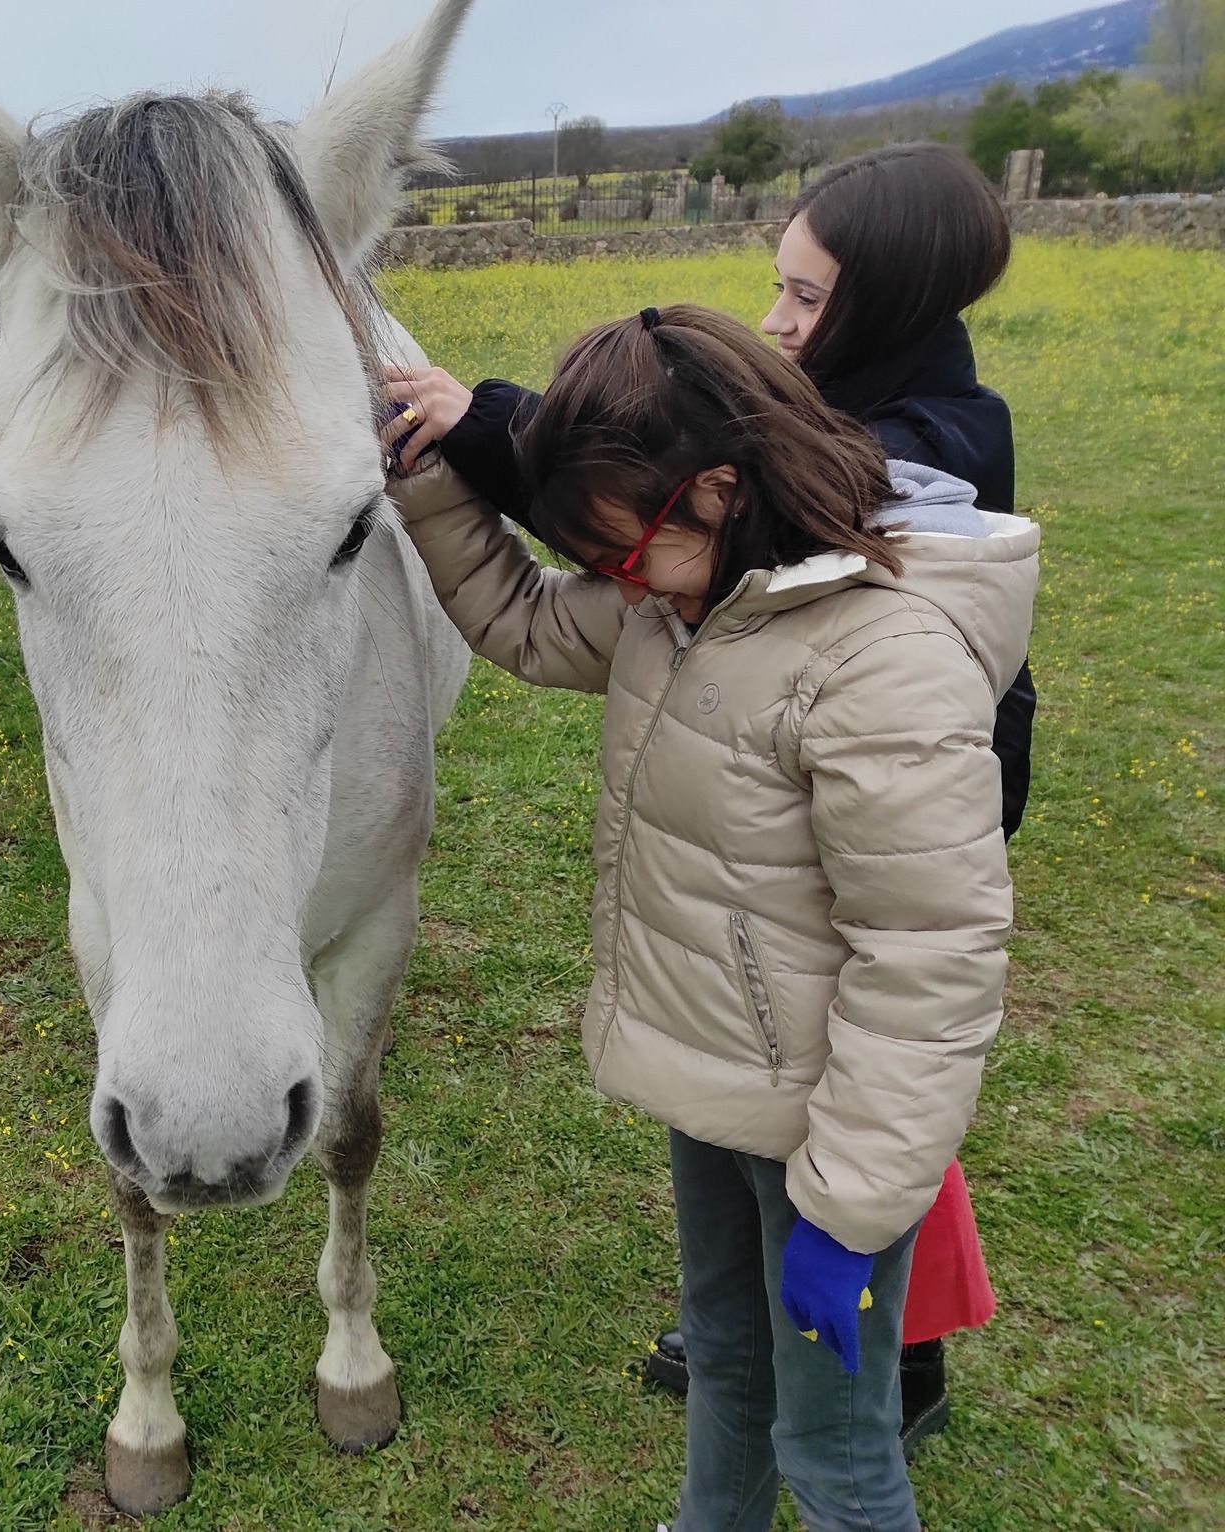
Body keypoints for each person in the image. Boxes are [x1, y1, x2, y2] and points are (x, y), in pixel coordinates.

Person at [390, 142, 1026, 1451]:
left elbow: (675, 507)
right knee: (816, 1062)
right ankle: (823, 1316)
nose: (781, 324)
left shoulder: (901, 443)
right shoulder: (836, 404)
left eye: (807, 297)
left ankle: (885, 1349)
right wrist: (458, 450)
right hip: (827, 761)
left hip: (885, 769)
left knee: (862, 1049)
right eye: (776, 291)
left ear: (890, 299)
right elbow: (638, 538)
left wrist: (491, 420)